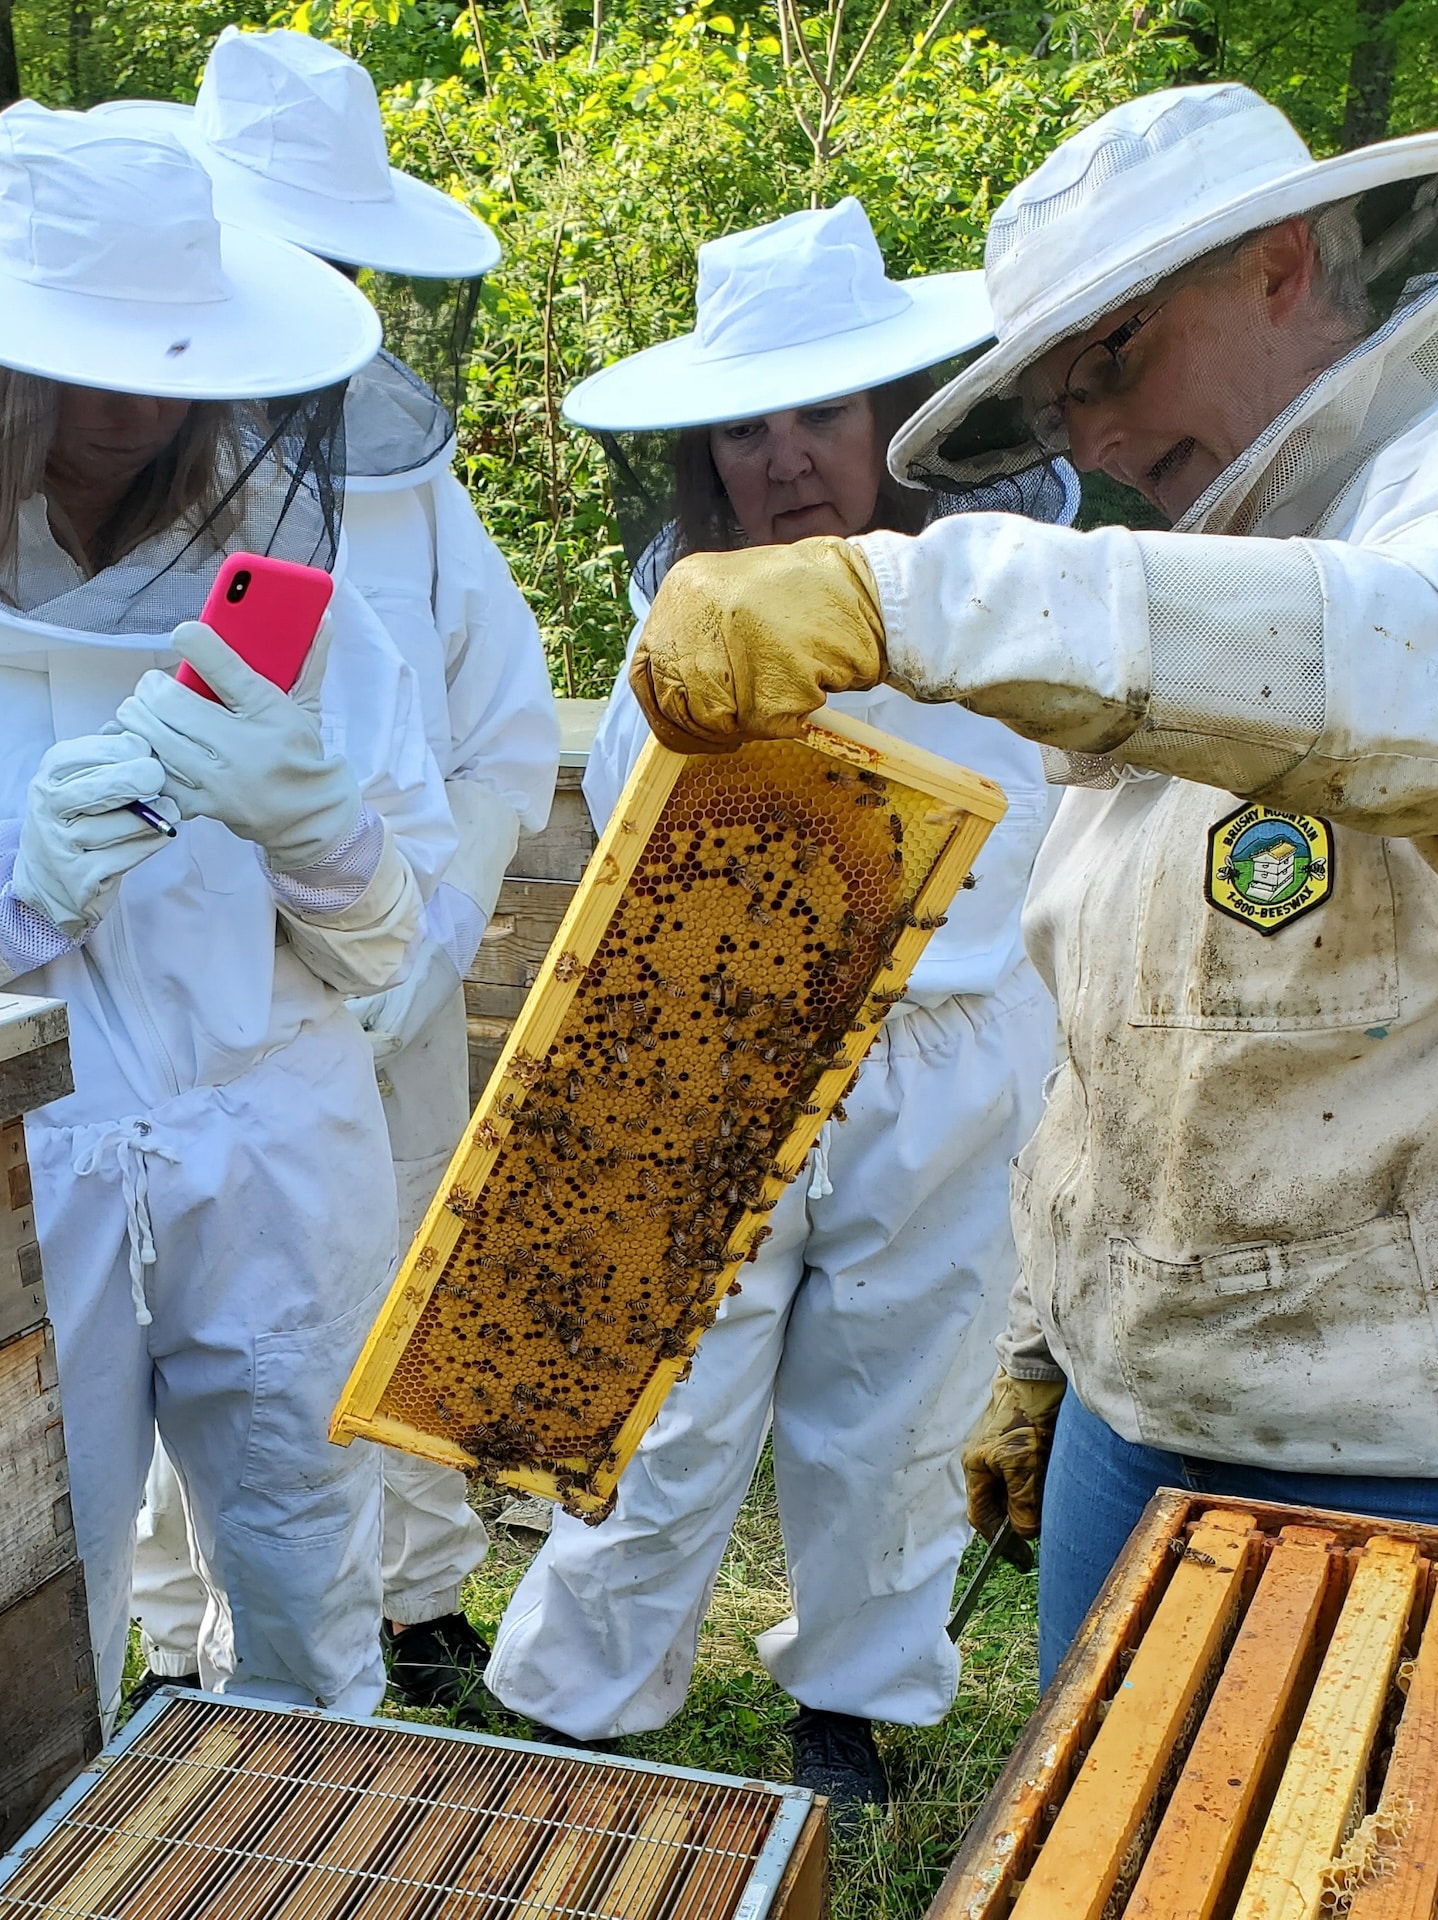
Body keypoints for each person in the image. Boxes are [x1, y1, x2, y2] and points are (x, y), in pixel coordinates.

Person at [623, 83, 1438, 1686]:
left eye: (1114, 358)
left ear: (1283, 264)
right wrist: (1052, 1355)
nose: (1097, 443)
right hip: (1144, 1429)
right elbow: (1129, 1028)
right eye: (1060, 398)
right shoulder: (1193, 582)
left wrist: (908, 590)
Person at [0, 103, 457, 1724]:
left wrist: (320, 833)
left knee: (302, 1569)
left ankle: (299, 1847)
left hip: (276, 1147)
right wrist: (5, 886)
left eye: (174, 361)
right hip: (6, 1166)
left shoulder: (313, 605)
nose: (137, 407)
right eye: (87, 359)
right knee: (19, 1591)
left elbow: (400, 955)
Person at [485, 199, 1074, 1809]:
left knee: (899, 1402)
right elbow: (628, 843)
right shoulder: (674, 636)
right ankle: (584, 1699)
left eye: (821, 411)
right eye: (744, 428)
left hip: (949, 1060)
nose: (783, 456)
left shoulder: (1013, 610)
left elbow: (1064, 844)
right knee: (664, 1398)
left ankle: (851, 1708)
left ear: (900, 419)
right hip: (714, 1048)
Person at [97, 27, 557, 1716]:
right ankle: (172, 1651)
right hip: (194, 1007)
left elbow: (507, 739)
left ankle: (416, 1608)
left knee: (381, 1318)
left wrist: (427, 933)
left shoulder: (419, 492)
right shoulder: (104, 467)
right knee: (188, 1335)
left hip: (397, 982)